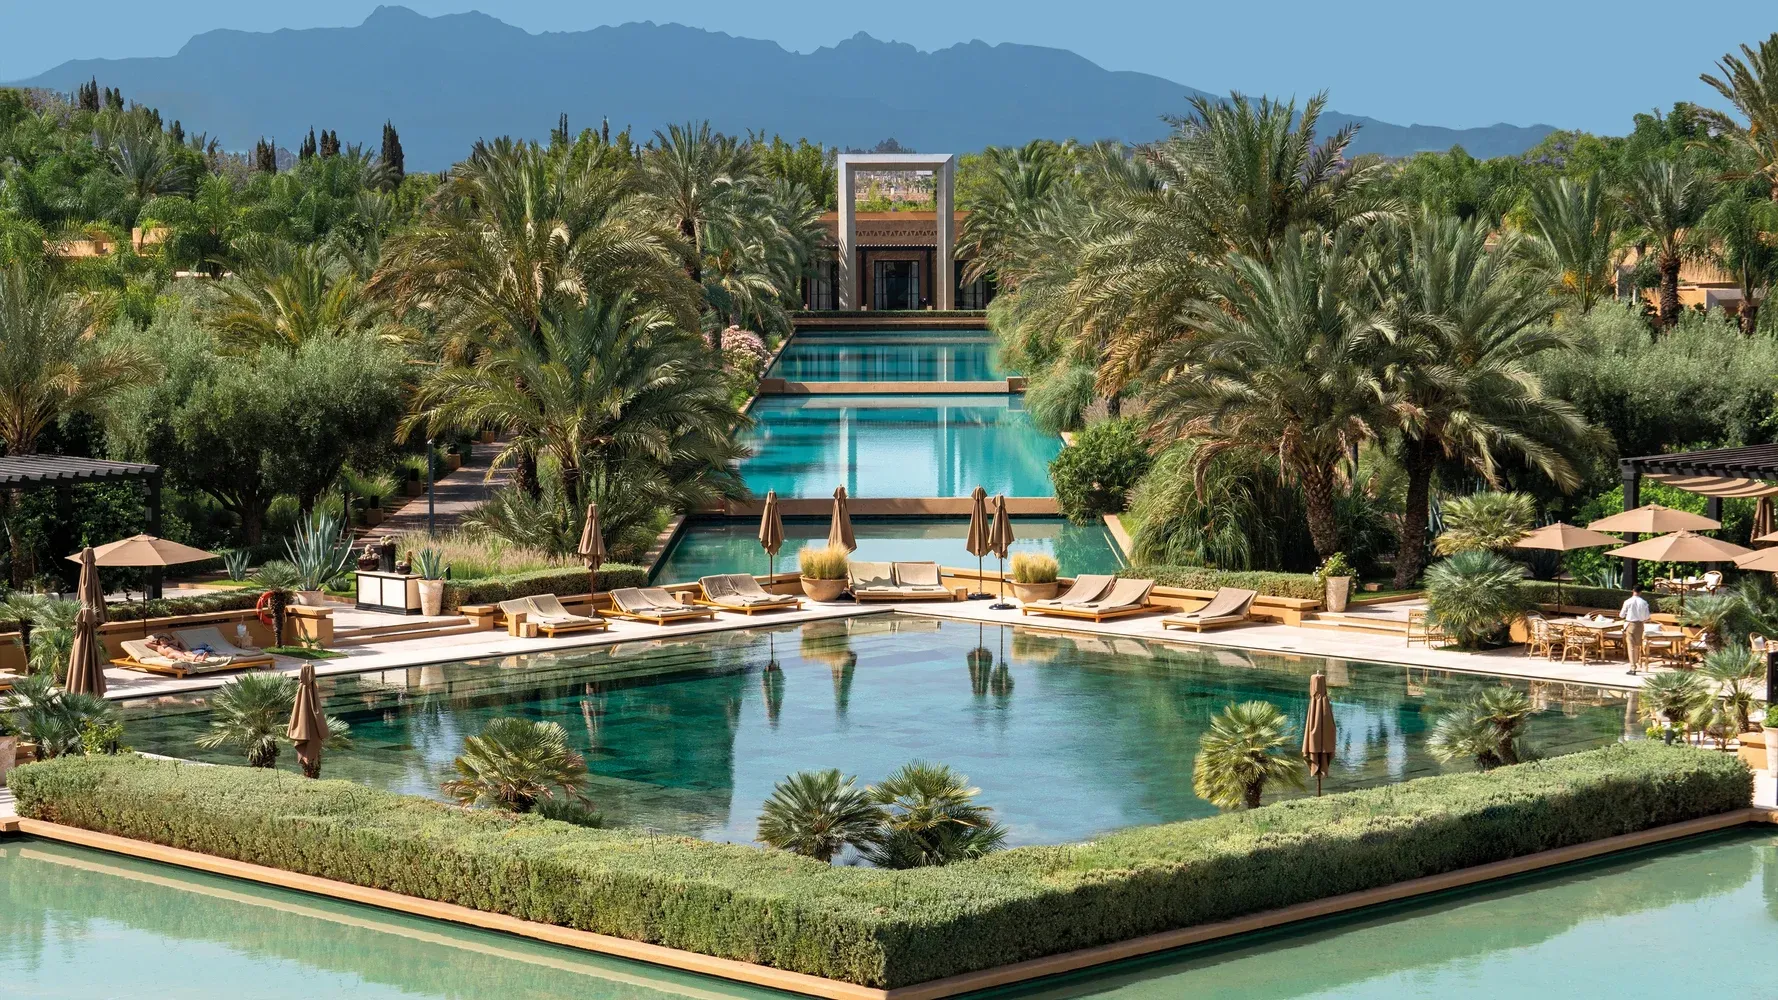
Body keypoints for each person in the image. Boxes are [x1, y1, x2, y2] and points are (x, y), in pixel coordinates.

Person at [1620, 586, 1652, 675]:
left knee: (1631, 647)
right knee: (1637, 646)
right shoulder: (1644, 602)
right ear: (1641, 592)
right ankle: (1636, 664)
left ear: (1633, 590)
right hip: (1640, 625)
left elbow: (1621, 615)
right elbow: (1647, 617)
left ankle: (1632, 667)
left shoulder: (1627, 602)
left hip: (1630, 624)